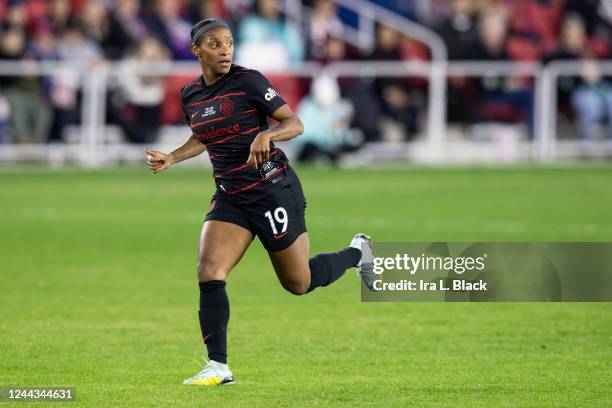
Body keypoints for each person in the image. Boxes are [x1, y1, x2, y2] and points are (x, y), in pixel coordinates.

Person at [144, 18, 374, 386]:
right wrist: (172, 157)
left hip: (271, 188)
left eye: (229, 43)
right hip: (231, 196)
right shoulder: (190, 95)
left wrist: (267, 134)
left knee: (298, 283)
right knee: (209, 269)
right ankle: (217, 365)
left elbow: (294, 123)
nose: (224, 50)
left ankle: (357, 253)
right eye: (215, 44)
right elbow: (204, 136)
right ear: (196, 50)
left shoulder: (248, 81)